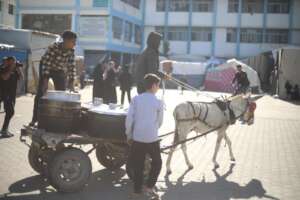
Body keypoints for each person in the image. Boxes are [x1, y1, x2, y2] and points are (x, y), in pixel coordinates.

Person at [126, 74, 164, 198]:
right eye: (158, 85)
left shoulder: (136, 99)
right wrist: (152, 129)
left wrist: (129, 134)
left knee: (138, 164)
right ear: (153, 86)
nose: (158, 88)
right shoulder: (158, 102)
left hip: (137, 138)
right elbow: (160, 122)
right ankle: (149, 187)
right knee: (157, 163)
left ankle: (137, 191)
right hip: (152, 138)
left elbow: (129, 119)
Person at [29, 30, 77, 126]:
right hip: (46, 67)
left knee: (62, 94)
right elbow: (46, 64)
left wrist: (71, 82)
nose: (74, 44)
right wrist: (45, 81)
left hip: (59, 70)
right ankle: (35, 119)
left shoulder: (71, 51)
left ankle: (58, 119)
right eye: (73, 41)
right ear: (66, 40)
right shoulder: (54, 47)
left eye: (75, 41)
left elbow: (71, 67)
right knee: (41, 93)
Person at [0, 56, 23, 137]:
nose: (14, 63)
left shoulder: (15, 70)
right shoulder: (3, 68)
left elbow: (21, 78)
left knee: (9, 112)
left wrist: (18, 69)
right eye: (12, 62)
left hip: (12, 94)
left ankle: (4, 129)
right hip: (4, 94)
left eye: (14, 61)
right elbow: (5, 77)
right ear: (8, 62)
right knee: (10, 112)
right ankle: (4, 130)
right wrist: (10, 69)